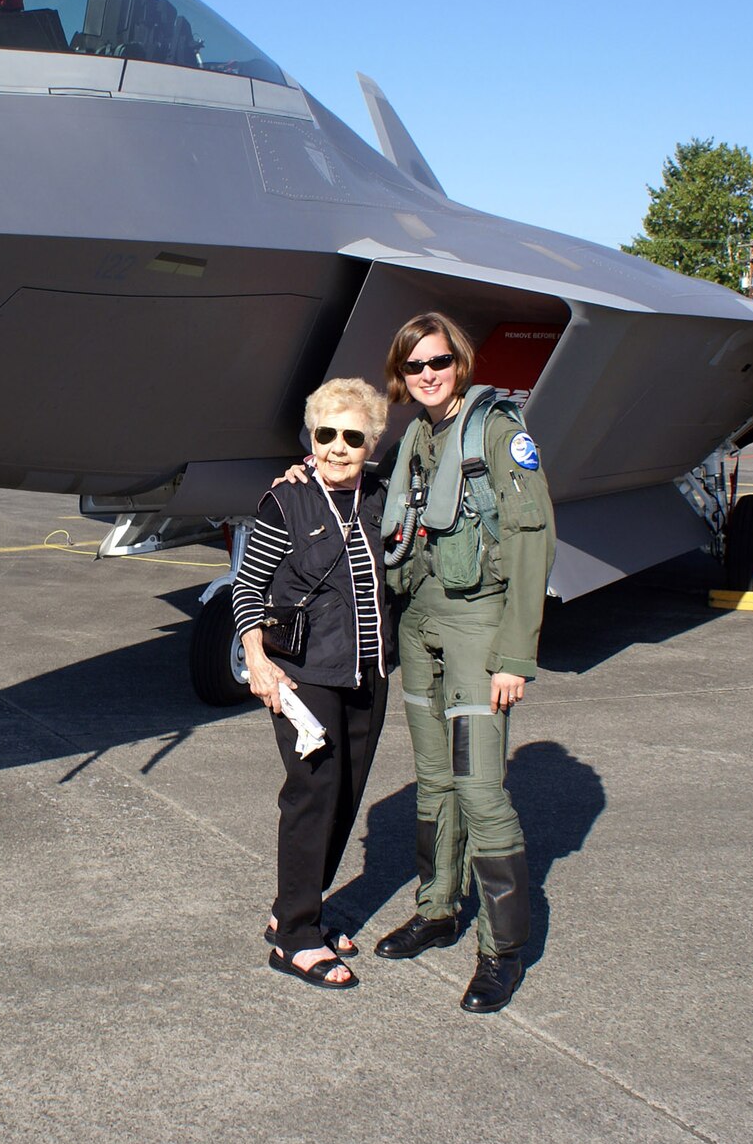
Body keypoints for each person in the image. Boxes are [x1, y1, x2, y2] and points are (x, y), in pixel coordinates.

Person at [370, 311, 556, 1013]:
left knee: (480, 788)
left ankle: (502, 951)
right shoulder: (417, 435)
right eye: (414, 366)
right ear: (401, 373)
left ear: (460, 361)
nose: (428, 375)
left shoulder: (499, 434)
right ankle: (438, 907)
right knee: (433, 780)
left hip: (478, 626)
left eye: (438, 361)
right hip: (420, 622)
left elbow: (532, 538)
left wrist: (516, 655)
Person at [232, 378, 391, 990]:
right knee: (312, 795)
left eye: (353, 436)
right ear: (312, 438)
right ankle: (296, 936)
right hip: (303, 676)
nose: (338, 447)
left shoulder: (382, 498)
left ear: (372, 441)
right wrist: (259, 662)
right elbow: (248, 587)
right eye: (326, 434)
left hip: (366, 672)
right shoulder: (287, 501)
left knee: (346, 797)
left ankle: (296, 908)